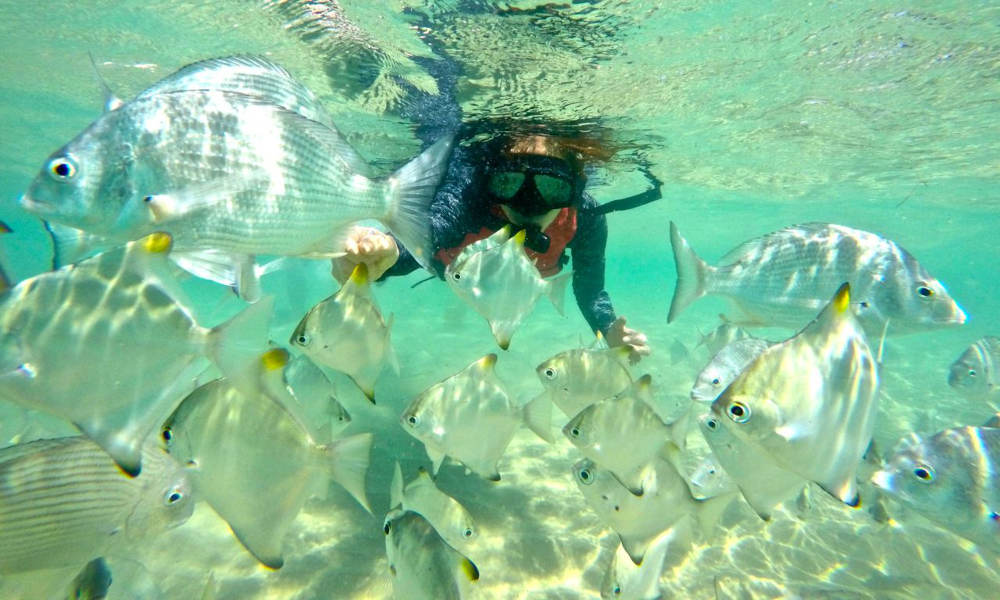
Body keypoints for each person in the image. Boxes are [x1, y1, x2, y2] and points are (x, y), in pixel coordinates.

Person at [331, 128, 658, 364]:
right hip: (458, 271)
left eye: (551, 187)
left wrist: (607, 327)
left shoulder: (584, 216)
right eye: (508, 183)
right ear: (491, 181)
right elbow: (433, 232)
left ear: (572, 192)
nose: (528, 201)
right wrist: (388, 252)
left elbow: (590, 288)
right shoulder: (471, 197)